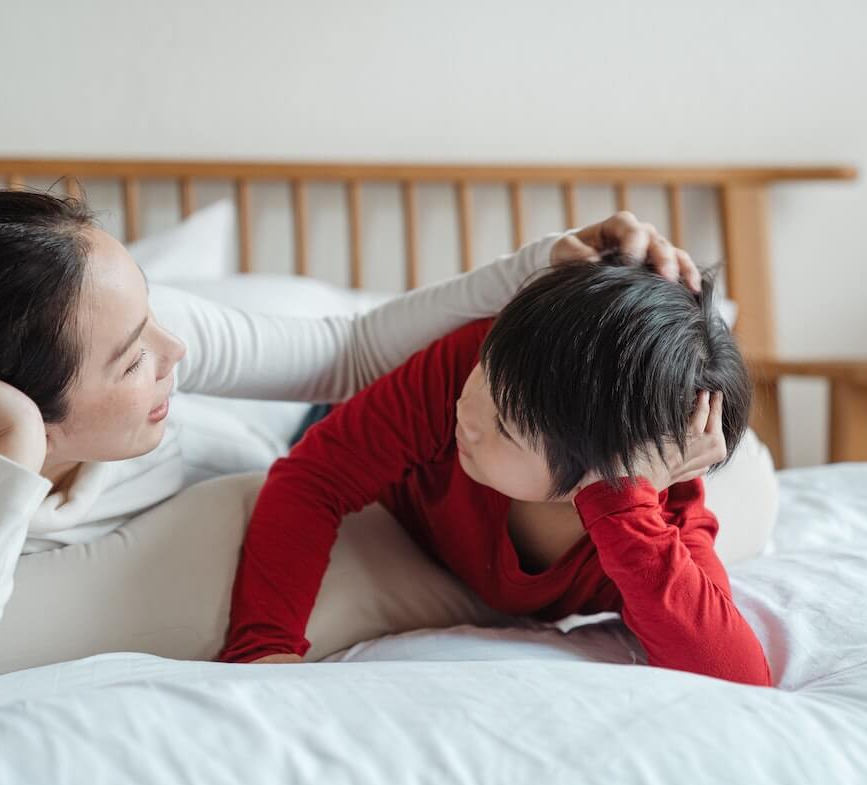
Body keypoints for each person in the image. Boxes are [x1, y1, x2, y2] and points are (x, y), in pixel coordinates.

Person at [0, 189, 703, 735]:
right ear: (23, 408)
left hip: (333, 445)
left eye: (154, 311)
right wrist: (14, 460)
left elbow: (351, 351)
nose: (177, 352)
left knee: (705, 472)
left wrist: (543, 269)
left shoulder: (143, 338)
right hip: (310, 484)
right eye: (132, 356)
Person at [218, 261, 772, 687]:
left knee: (754, 479)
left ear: (599, 477)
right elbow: (314, 477)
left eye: (505, 427)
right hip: (352, 423)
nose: (470, 409)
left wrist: (623, 504)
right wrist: (263, 649)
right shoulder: (468, 370)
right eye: (486, 371)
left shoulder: (652, 514)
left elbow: (741, 678)